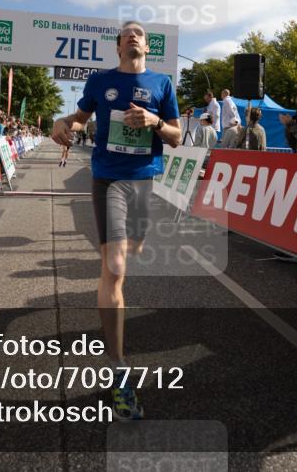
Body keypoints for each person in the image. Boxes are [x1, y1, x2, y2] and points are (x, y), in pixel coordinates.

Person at [51, 21, 180, 420]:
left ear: (147, 46)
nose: (133, 36)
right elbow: (79, 118)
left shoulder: (162, 83)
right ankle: (118, 370)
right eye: (126, 34)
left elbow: (177, 136)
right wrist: (62, 123)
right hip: (107, 178)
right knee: (115, 268)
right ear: (118, 46)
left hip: (142, 180)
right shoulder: (100, 80)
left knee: (132, 251)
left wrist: (156, 123)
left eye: (139, 33)